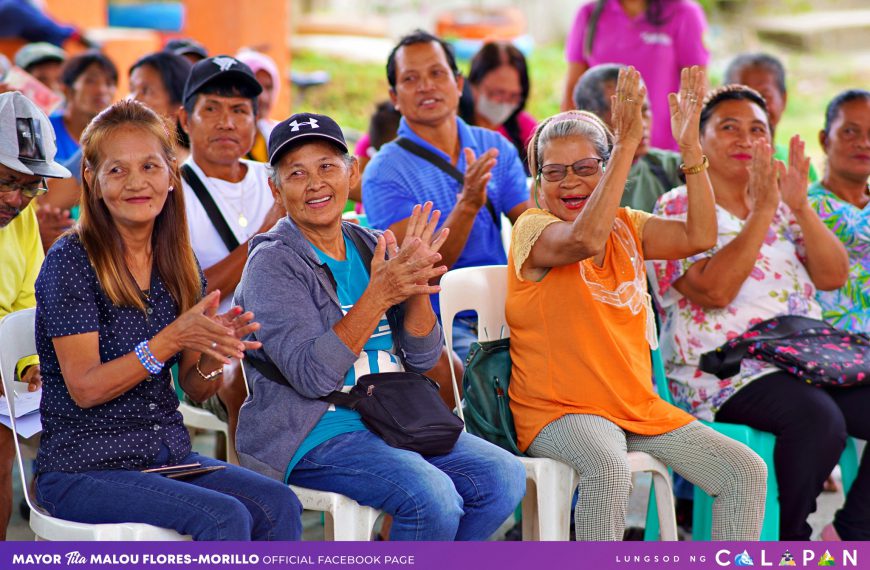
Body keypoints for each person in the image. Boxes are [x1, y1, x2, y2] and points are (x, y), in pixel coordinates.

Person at [234, 111, 525, 540]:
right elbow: (312, 377)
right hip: (315, 431)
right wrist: (379, 294)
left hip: (394, 418)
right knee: (433, 498)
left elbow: (424, 357)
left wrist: (420, 286)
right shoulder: (272, 263)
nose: (315, 183)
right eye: (296, 173)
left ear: (352, 173)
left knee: (503, 477)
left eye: (327, 167)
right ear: (276, 188)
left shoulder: (371, 244)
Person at [507, 66, 766, 541]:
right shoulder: (533, 228)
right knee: (608, 470)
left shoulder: (627, 224)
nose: (570, 183)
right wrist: (625, 144)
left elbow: (699, 235)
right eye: (555, 172)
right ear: (537, 181)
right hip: (560, 411)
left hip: (634, 406)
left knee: (743, 471)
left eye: (586, 168)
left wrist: (691, 150)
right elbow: (584, 239)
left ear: (607, 172)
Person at [32, 99, 302, 540]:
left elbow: (196, 389)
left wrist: (216, 353)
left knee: (278, 504)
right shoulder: (71, 260)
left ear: (171, 177)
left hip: (164, 456)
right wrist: (170, 338)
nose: (136, 183)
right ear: (92, 182)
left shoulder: (178, 262)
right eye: (117, 170)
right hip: (83, 467)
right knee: (224, 517)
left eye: (150, 167)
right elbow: (84, 388)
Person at [649, 84, 870, 541]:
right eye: (728, 127)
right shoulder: (677, 206)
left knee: (821, 412)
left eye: (756, 130)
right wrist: (761, 213)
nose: (744, 139)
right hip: (720, 369)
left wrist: (799, 207)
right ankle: (787, 542)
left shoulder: (783, 208)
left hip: (802, 358)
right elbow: (713, 291)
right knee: (818, 420)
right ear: (699, 139)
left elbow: (832, 275)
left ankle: (850, 534)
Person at [362, 30, 530, 362]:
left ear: (458, 82)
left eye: (437, 73)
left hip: (507, 311)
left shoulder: (494, 146)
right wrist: (467, 205)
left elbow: (531, 229)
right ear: (395, 96)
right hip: (439, 326)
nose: (427, 85)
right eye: (411, 78)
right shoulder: (383, 171)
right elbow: (417, 272)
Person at [177, 54, 284, 432]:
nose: (227, 122)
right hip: (205, 350)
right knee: (247, 376)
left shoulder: (275, 178)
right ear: (185, 119)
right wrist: (263, 237)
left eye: (240, 110)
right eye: (211, 109)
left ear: (256, 122)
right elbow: (186, 292)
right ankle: (256, 486)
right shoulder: (168, 193)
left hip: (287, 328)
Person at [0, 91, 71, 540]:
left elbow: (27, 302)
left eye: (31, 186)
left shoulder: (23, 221)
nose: (16, 197)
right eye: (5, 180)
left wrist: (27, 365)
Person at [561, 0, 708, 151]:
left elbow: (695, 89)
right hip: (603, 150)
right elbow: (573, 90)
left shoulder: (683, 12)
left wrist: (691, 149)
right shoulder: (590, 13)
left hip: (664, 148)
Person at [573, 63, 684, 212]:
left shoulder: (670, 167)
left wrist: (692, 147)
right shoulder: (575, 182)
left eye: (644, 111)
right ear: (591, 119)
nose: (641, 124)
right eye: (628, 114)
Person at [808, 89, 870, 332]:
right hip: (830, 347)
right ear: (825, 140)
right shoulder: (801, 206)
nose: (864, 143)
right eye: (850, 131)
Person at [723, 52, 818, 181]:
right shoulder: (716, 163)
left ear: (783, 99)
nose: (754, 108)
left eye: (764, 96)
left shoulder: (796, 163)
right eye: (742, 96)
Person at [459, 41, 536, 174]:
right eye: (498, 93)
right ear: (473, 84)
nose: (504, 103)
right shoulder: (455, 128)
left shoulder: (521, 125)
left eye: (513, 96)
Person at [48, 50, 117, 163]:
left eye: (109, 83)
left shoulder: (116, 140)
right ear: (67, 89)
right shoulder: (44, 130)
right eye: (90, 81)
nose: (102, 90)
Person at [236, 49, 280, 163]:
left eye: (269, 87)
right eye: (256, 86)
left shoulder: (279, 136)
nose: (263, 97)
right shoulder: (219, 142)